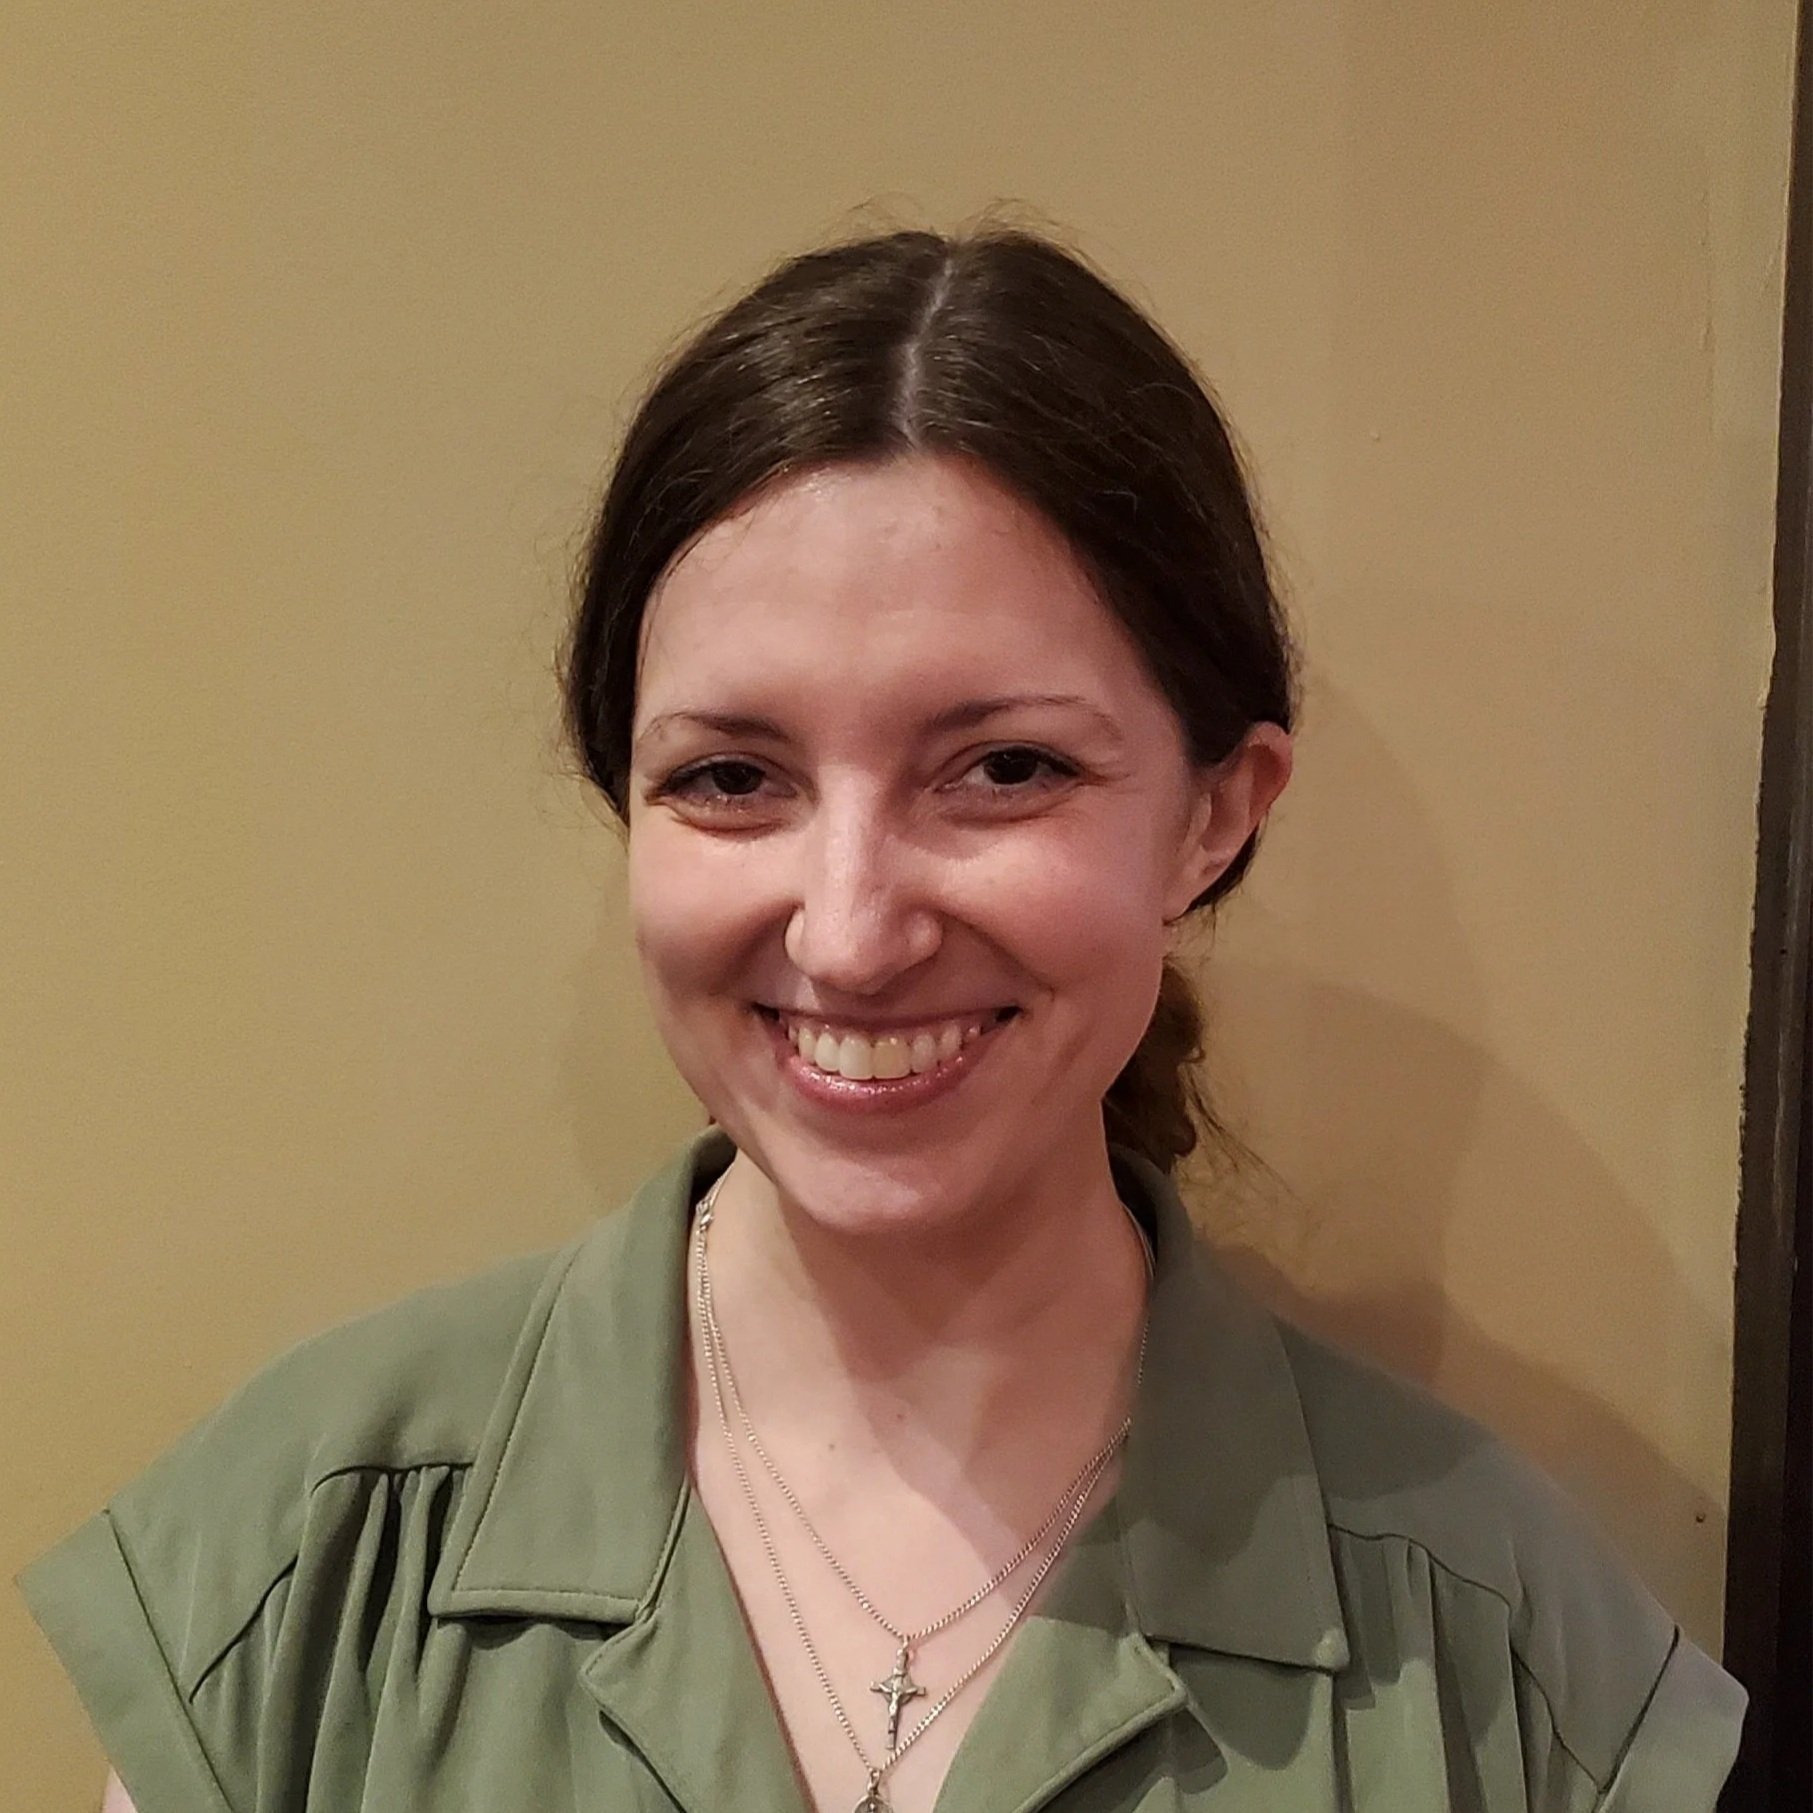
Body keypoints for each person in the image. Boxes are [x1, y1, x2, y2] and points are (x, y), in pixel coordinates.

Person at [22, 225, 1746, 1813]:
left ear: (1216, 813)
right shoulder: (301, 1570)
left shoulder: (1510, 1665)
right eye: (729, 776)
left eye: (1003, 767)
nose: (846, 934)